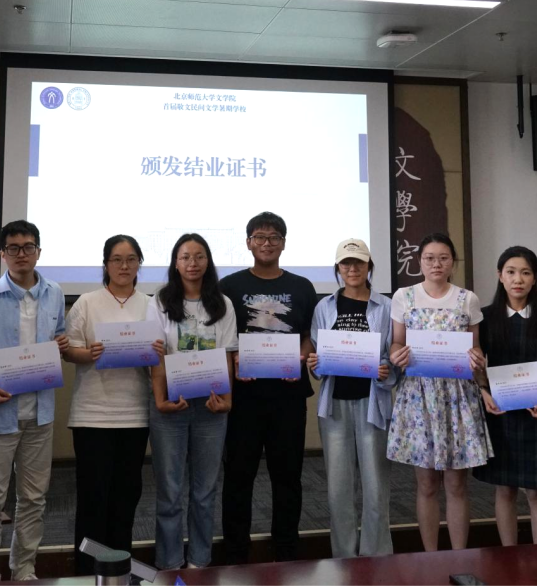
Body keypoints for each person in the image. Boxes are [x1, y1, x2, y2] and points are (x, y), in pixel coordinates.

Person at [0, 221, 68, 582]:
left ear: (39, 252)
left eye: (28, 247)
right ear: (2, 254)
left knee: (33, 499)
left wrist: (60, 344)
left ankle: (24, 570)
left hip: (40, 413)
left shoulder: (54, 292)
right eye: (13, 248)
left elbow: (59, 337)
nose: (21, 254)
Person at [220, 211, 318, 564]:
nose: (266, 243)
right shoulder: (229, 287)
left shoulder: (302, 287)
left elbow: (308, 336)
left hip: (288, 396)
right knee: (238, 475)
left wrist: (301, 357)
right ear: (248, 242)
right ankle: (236, 551)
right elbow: (222, 338)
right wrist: (233, 360)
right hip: (244, 397)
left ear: (284, 243)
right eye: (259, 237)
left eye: (274, 237)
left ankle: (286, 549)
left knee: (287, 475)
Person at [64, 234, 163, 575]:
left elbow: (159, 358)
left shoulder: (151, 305)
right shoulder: (86, 302)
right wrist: (87, 353)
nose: (124, 266)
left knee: (126, 499)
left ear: (139, 264)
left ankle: (119, 572)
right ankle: (86, 573)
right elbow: (69, 351)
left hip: (135, 415)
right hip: (92, 415)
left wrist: (158, 353)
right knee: (93, 499)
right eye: (117, 259)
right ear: (105, 264)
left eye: (131, 259)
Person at [388, 233, 491, 551]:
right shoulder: (404, 296)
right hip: (419, 396)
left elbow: (476, 348)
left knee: (457, 483)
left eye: (443, 258)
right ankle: (430, 557)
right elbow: (396, 342)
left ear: (452, 263)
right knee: (427, 483)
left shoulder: (467, 299)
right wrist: (396, 355)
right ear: (419, 262)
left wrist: (478, 359)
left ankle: (459, 556)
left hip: (457, 396)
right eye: (430, 258)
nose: (436, 264)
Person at [147, 234, 238, 569]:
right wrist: (160, 399)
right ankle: (169, 564)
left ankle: (199, 562)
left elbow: (227, 355)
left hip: (210, 407)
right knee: (169, 492)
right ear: (175, 262)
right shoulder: (159, 301)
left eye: (199, 256)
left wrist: (227, 400)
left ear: (208, 261)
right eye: (185, 257)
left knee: (204, 491)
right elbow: (156, 355)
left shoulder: (223, 304)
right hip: (171, 405)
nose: (192, 263)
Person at [307, 238, 395, 558]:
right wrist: (315, 364)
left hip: (373, 404)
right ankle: (344, 558)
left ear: (369, 266)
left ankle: (376, 557)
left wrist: (387, 370)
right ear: (338, 268)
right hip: (335, 405)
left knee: (375, 488)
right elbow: (318, 356)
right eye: (346, 263)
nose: (352, 268)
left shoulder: (386, 307)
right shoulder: (325, 307)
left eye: (359, 262)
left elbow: (394, 354)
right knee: (338, 490)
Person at [474, 246, 537, 546]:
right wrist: (483, 391)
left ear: (535, 278)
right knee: (505, 488)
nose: (518, 279)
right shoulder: (486, 317)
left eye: (526, 273)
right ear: (500, 276)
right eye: (511, 272)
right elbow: (477, 366)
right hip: (501, 414)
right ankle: (508, 555)